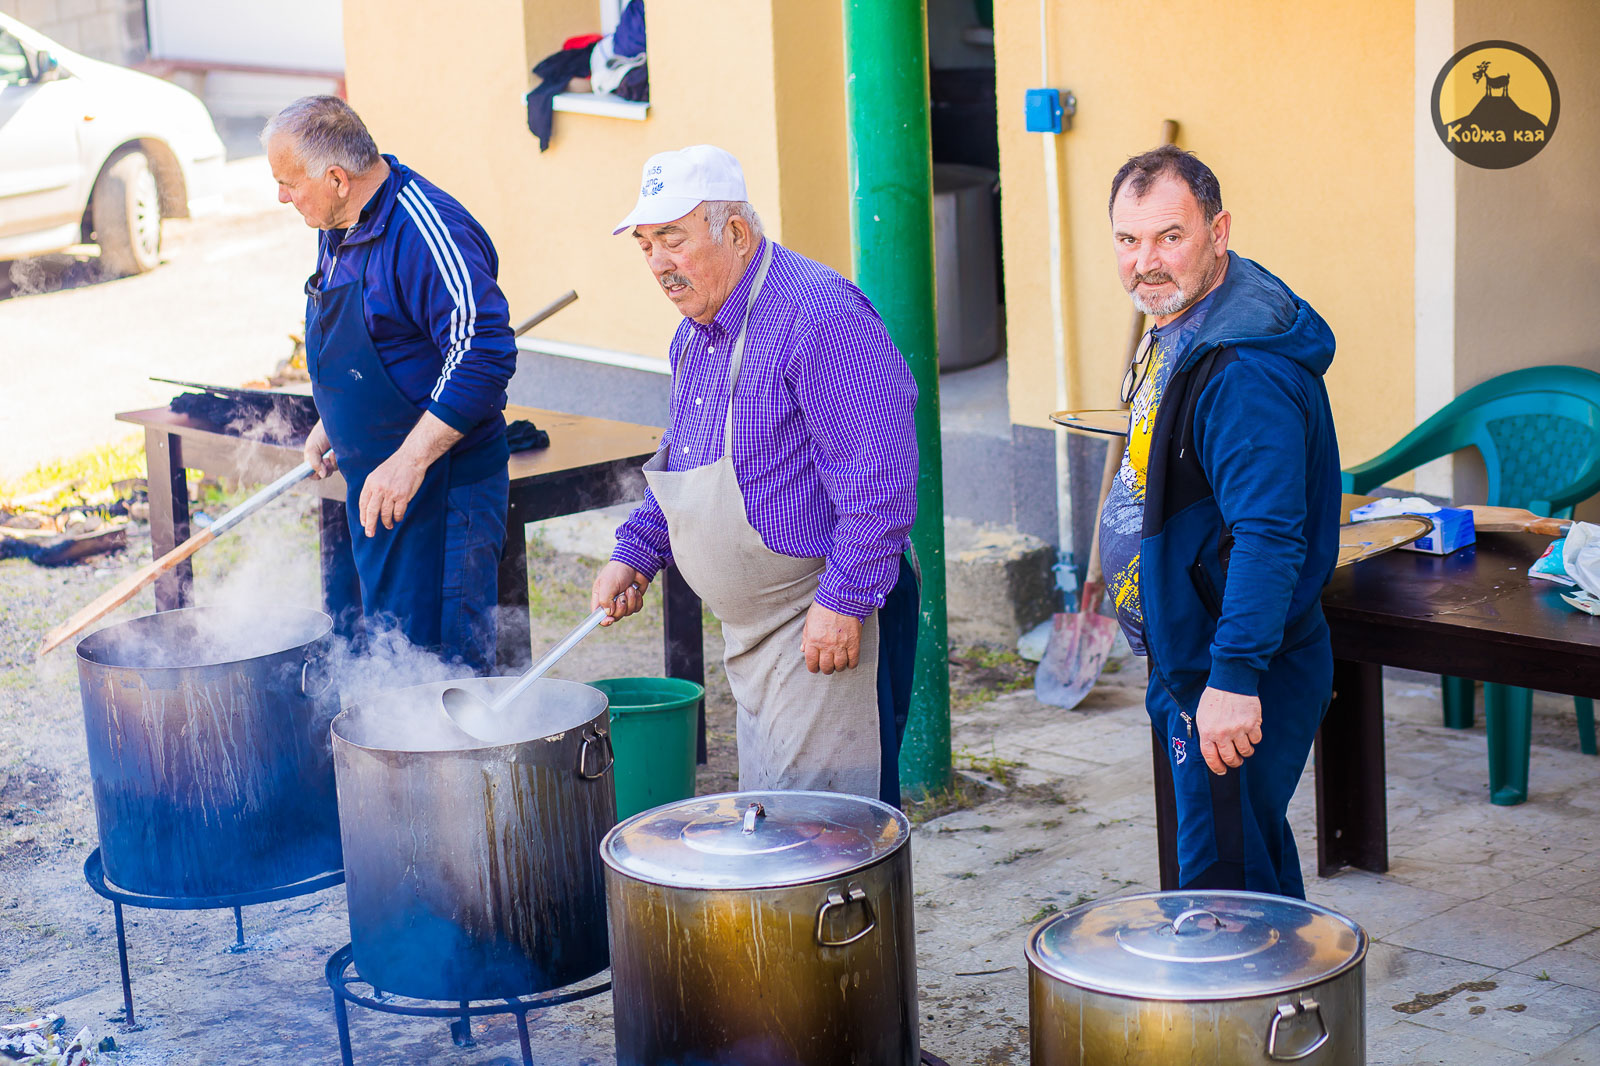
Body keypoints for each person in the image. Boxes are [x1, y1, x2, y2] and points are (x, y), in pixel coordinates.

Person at [590, 145, 920, 806]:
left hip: (826, 613)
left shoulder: (820, 318)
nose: (659, 264)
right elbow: (688, 457)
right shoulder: (696, 334)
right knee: (775, 829)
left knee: (834, 838)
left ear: (735, 233)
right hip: (757, 639)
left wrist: (845, 599)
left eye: (674, 241)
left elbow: (879, 478)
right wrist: (639, 550)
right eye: (647, 245)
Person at [1098, 145, 1340, 897]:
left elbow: (1269, 538)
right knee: (1244, 863)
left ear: (1219, 230)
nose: (1146, 262)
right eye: (1127, 240)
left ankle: (1259, 1014)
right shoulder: (1189, 319)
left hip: (1229, 674)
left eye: (1170, 236)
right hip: (1191, 658)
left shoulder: (1244, 372)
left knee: (1226, 897)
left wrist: (1233, 680)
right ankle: (1285, 1008)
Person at [263, 96, 517, 675]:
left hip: (442, 490)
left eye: (287, 183)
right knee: (383, 660)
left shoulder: (425, 230)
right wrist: (338, 418)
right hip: (378, 484)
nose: (282, 197)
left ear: (335, 178)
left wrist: (410, 459)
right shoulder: (338, 220)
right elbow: (383, 342)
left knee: (442, 671)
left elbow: (483, 350)